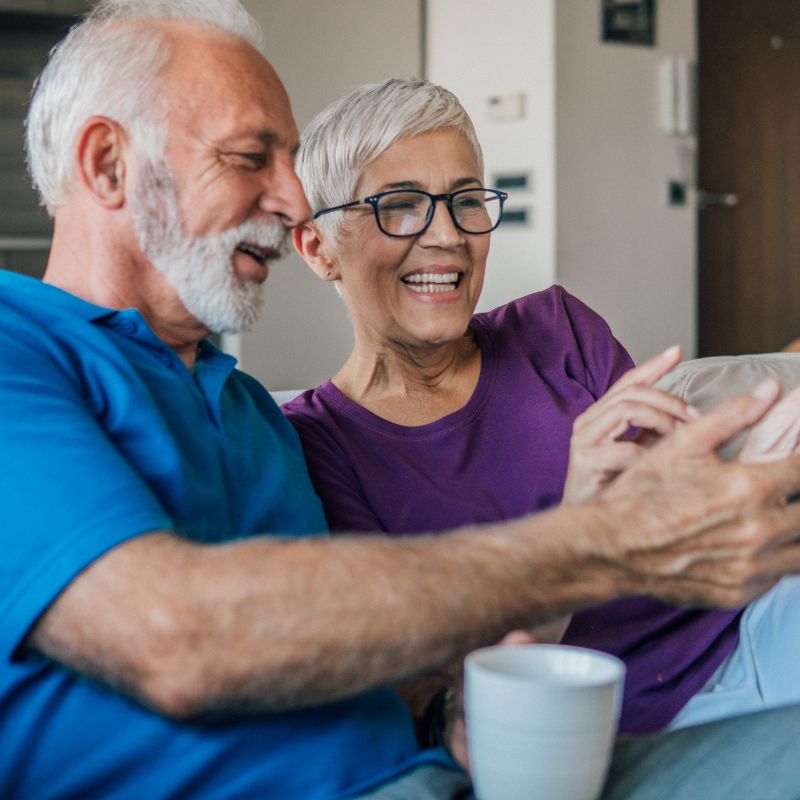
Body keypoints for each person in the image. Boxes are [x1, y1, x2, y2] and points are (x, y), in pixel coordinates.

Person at [5, 1, 800, 798]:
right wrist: (599, 538)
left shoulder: (247, 412)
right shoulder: (21, 350)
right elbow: (175, 637)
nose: (290, 202)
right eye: (252, 157)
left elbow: (373, 662)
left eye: (289, 163)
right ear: (108, 165)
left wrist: (447, 711)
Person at [284, 76, 800, 736]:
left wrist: (748, 468)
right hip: (592, 722)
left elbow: (680, 514)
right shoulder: (315, 446)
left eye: (466, 201)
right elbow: (445, 691)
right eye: (403, 206)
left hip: (750, 621)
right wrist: (583, 519)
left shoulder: (555, 328)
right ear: (318, 247)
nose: (447, 235)